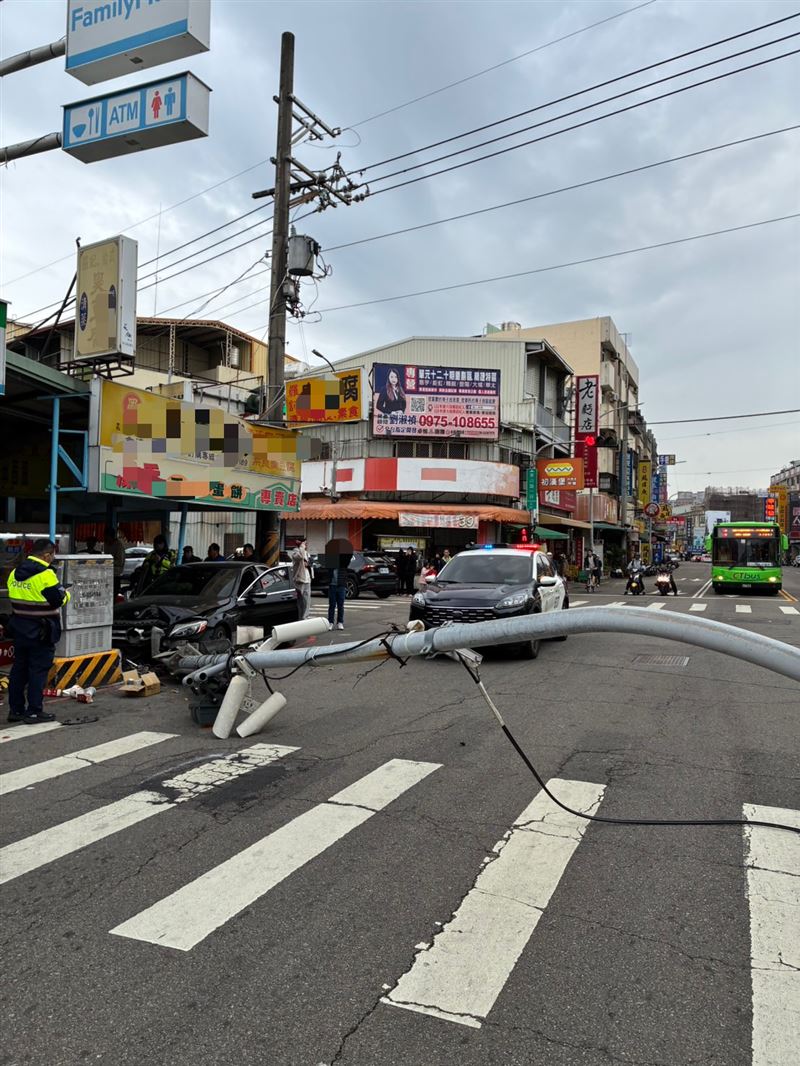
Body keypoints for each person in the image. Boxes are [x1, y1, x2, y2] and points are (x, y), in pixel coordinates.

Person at [6, 538, 71, 724]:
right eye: (52, 555)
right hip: (41, 631)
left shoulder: (14, 573)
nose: (52, 558)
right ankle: (34, 711)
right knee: (37, 671)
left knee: (19, 670)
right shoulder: (46, 575)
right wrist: (67, 594)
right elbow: (58, 600)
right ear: (46, 555)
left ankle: (15, 710)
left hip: (19, 629)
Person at [291, 540, 312, 618]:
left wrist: (309, 564)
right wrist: (301, 547)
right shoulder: (295, 552)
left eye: (306, 543)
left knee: (307, 601)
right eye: (305, 543)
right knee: (300, 602)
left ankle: (305, 618)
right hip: (300, 579)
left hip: (307, 579)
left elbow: (310, 563)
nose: (306, 545)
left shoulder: (307, 553)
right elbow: (300, 557)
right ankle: (300, 618)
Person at [105, 528, 126, 597]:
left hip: (116, 574)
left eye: (107, 536)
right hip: (107, 574)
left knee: (115, 594)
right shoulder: (107, 544)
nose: (106, 538)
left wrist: (108, 562)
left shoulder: (119, 545)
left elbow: (120, 561)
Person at [328, 564, 348, 631]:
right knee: (332, 605)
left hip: (341, 585)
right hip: (332, 585)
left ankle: (340, 622)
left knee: (340, 605)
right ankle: (330, 622)